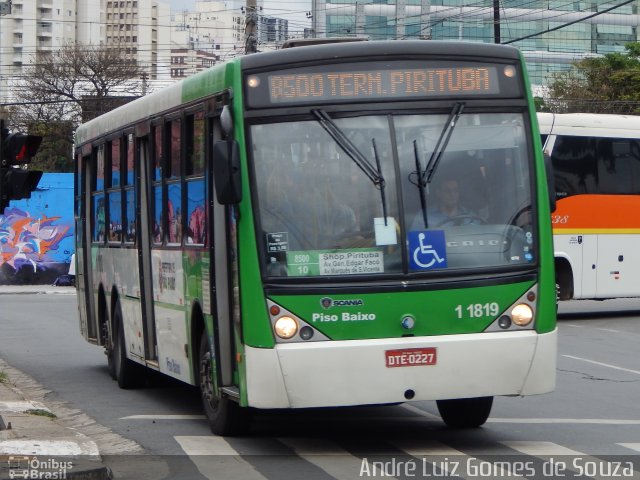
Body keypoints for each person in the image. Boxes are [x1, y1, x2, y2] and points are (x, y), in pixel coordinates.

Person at [411, 177, 481, 229]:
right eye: (447, 191)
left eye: (455, 190)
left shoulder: (471, 217)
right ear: (438, 193)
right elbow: (412, 242)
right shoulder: (424, 217)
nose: (452, 194)